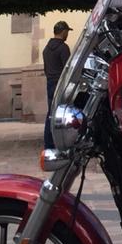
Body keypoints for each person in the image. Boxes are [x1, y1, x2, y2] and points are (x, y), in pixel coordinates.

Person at [42, 20, 73, 149]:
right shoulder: (63, 48)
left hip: (50, 82)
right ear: (63, 31)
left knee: (51, 113)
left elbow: (46, 68)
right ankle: (62, 142)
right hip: (60, 84)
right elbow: (68, 69)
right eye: (67, 32)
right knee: (63, 113)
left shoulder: (46, 49)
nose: (67, 35)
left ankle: (48, 143)